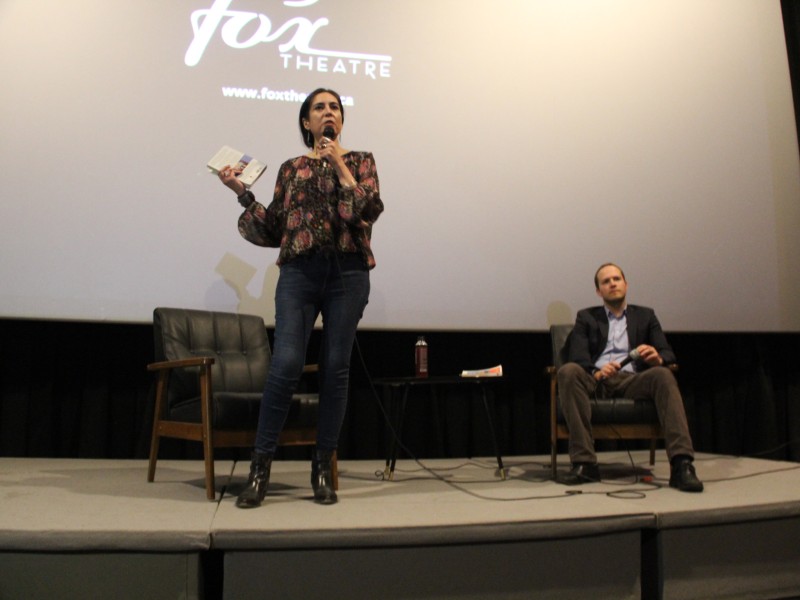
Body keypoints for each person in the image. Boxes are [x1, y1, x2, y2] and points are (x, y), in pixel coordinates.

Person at [217, 88, 384, 507]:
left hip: (348, 273)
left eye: (335, 108)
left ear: (341, 120)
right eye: (319, 108)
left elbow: (365, 211)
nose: (328, 113)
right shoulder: (291, 168)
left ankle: (322, 467)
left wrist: (339, 164)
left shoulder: (361, 161)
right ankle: (259, 469)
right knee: (286, 363)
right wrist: (241, 191)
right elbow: (275, 228)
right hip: (299, 274)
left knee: (335, 367)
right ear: (306, 122)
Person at [556, 263, 703, 492]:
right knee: (568, 371)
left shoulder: (646, 316)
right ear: (599, 291)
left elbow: (667, 353)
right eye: (606, 281)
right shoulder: (586, 317)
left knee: (663, 374)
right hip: (597, 381)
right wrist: (596, 371)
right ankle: (585, 464)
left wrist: (657, 358)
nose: (612, 284)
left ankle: (682, 464)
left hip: (632, 380)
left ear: (626, 284)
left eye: (616, 279)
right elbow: (578, 357)